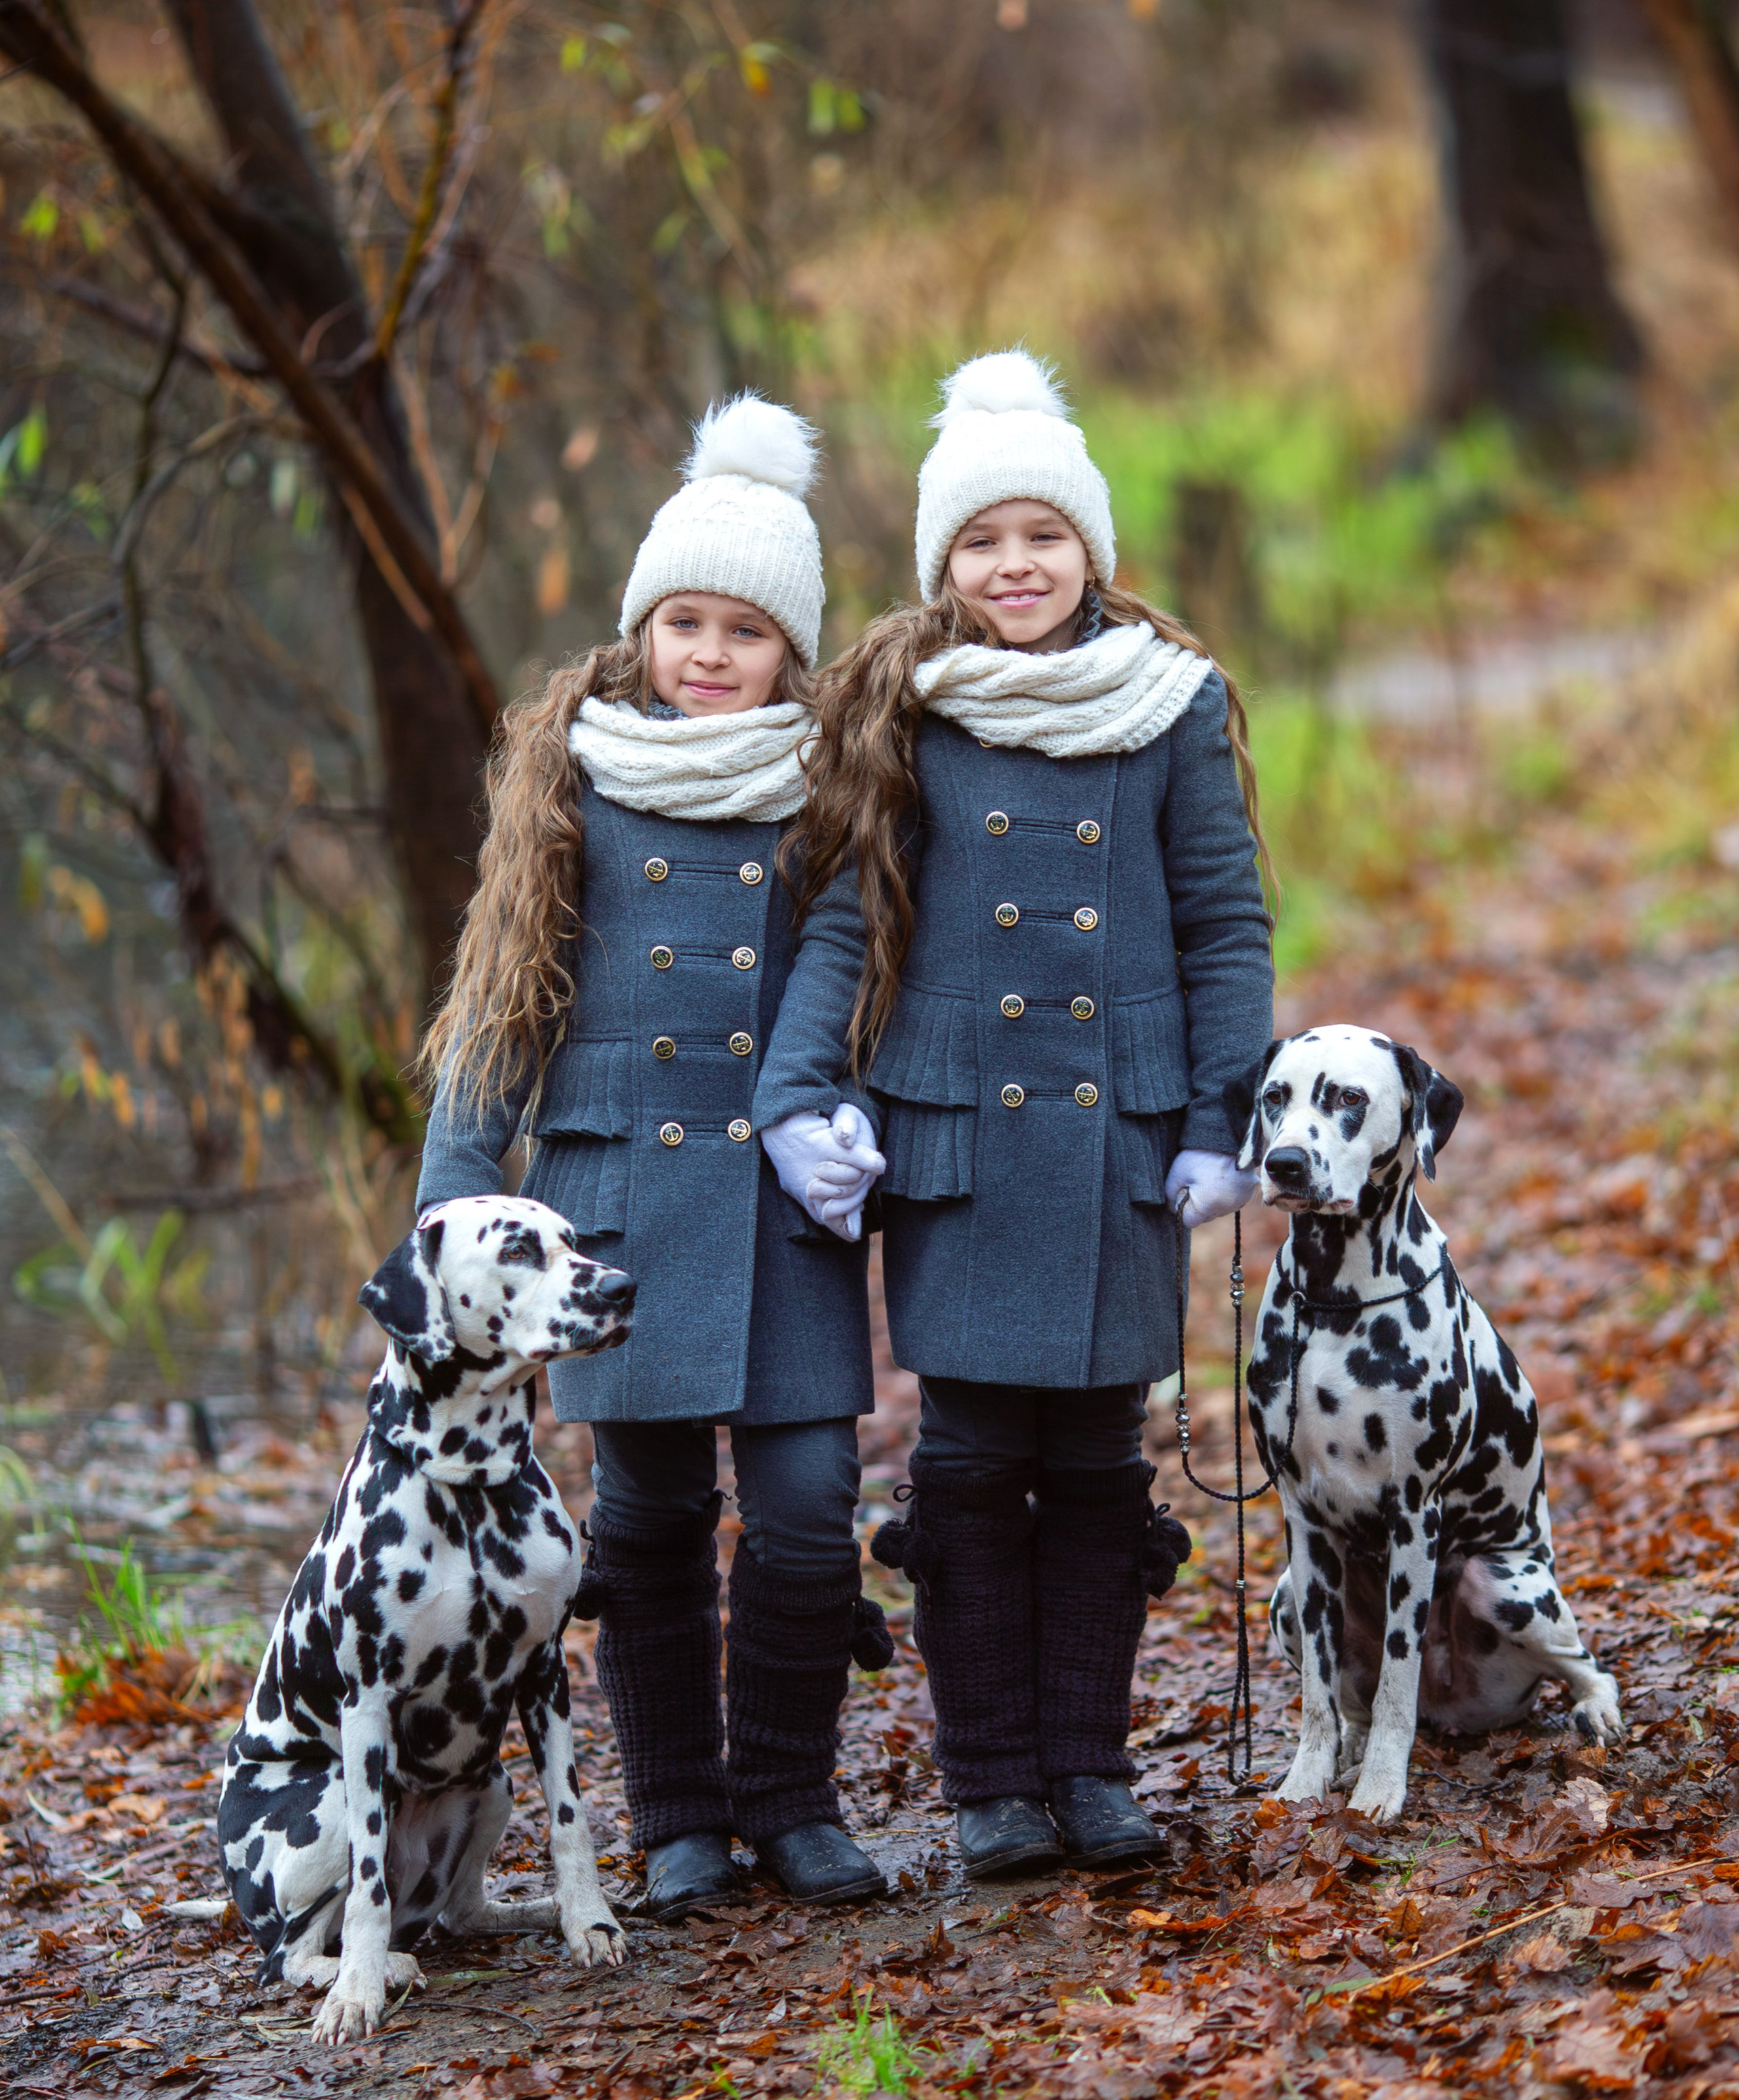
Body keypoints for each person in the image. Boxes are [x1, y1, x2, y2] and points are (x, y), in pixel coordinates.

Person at [783, 350, 1276, 1879]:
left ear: (1091, 549)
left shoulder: (1170, 702)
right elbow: (848, 924)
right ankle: (992, 1780)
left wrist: (1221, 1111)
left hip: (1123, 1130)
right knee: (968, 1455)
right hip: (959, 1134)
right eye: (982, 540)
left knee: (1100, 1458)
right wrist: (805, 1094)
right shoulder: (900, 706)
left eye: (1042, 535)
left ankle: (1093, 1763)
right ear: (943, 561)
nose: (1014, 565)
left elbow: (1222, 922)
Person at [417, 395, 891, 1921]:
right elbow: (505, 1008)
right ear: (641, 628)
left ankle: (790, 1795)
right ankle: (681, 1816)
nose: (707, 653)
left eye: (743, 632)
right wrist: (451, 1205)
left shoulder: (827, 790)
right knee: (649, 1519)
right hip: (612, 1205)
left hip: (771, 1203)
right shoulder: (574, 776)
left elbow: (844, 955)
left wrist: (817, 1102)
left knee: (811, 1507)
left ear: (788, 653)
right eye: (682, 621)